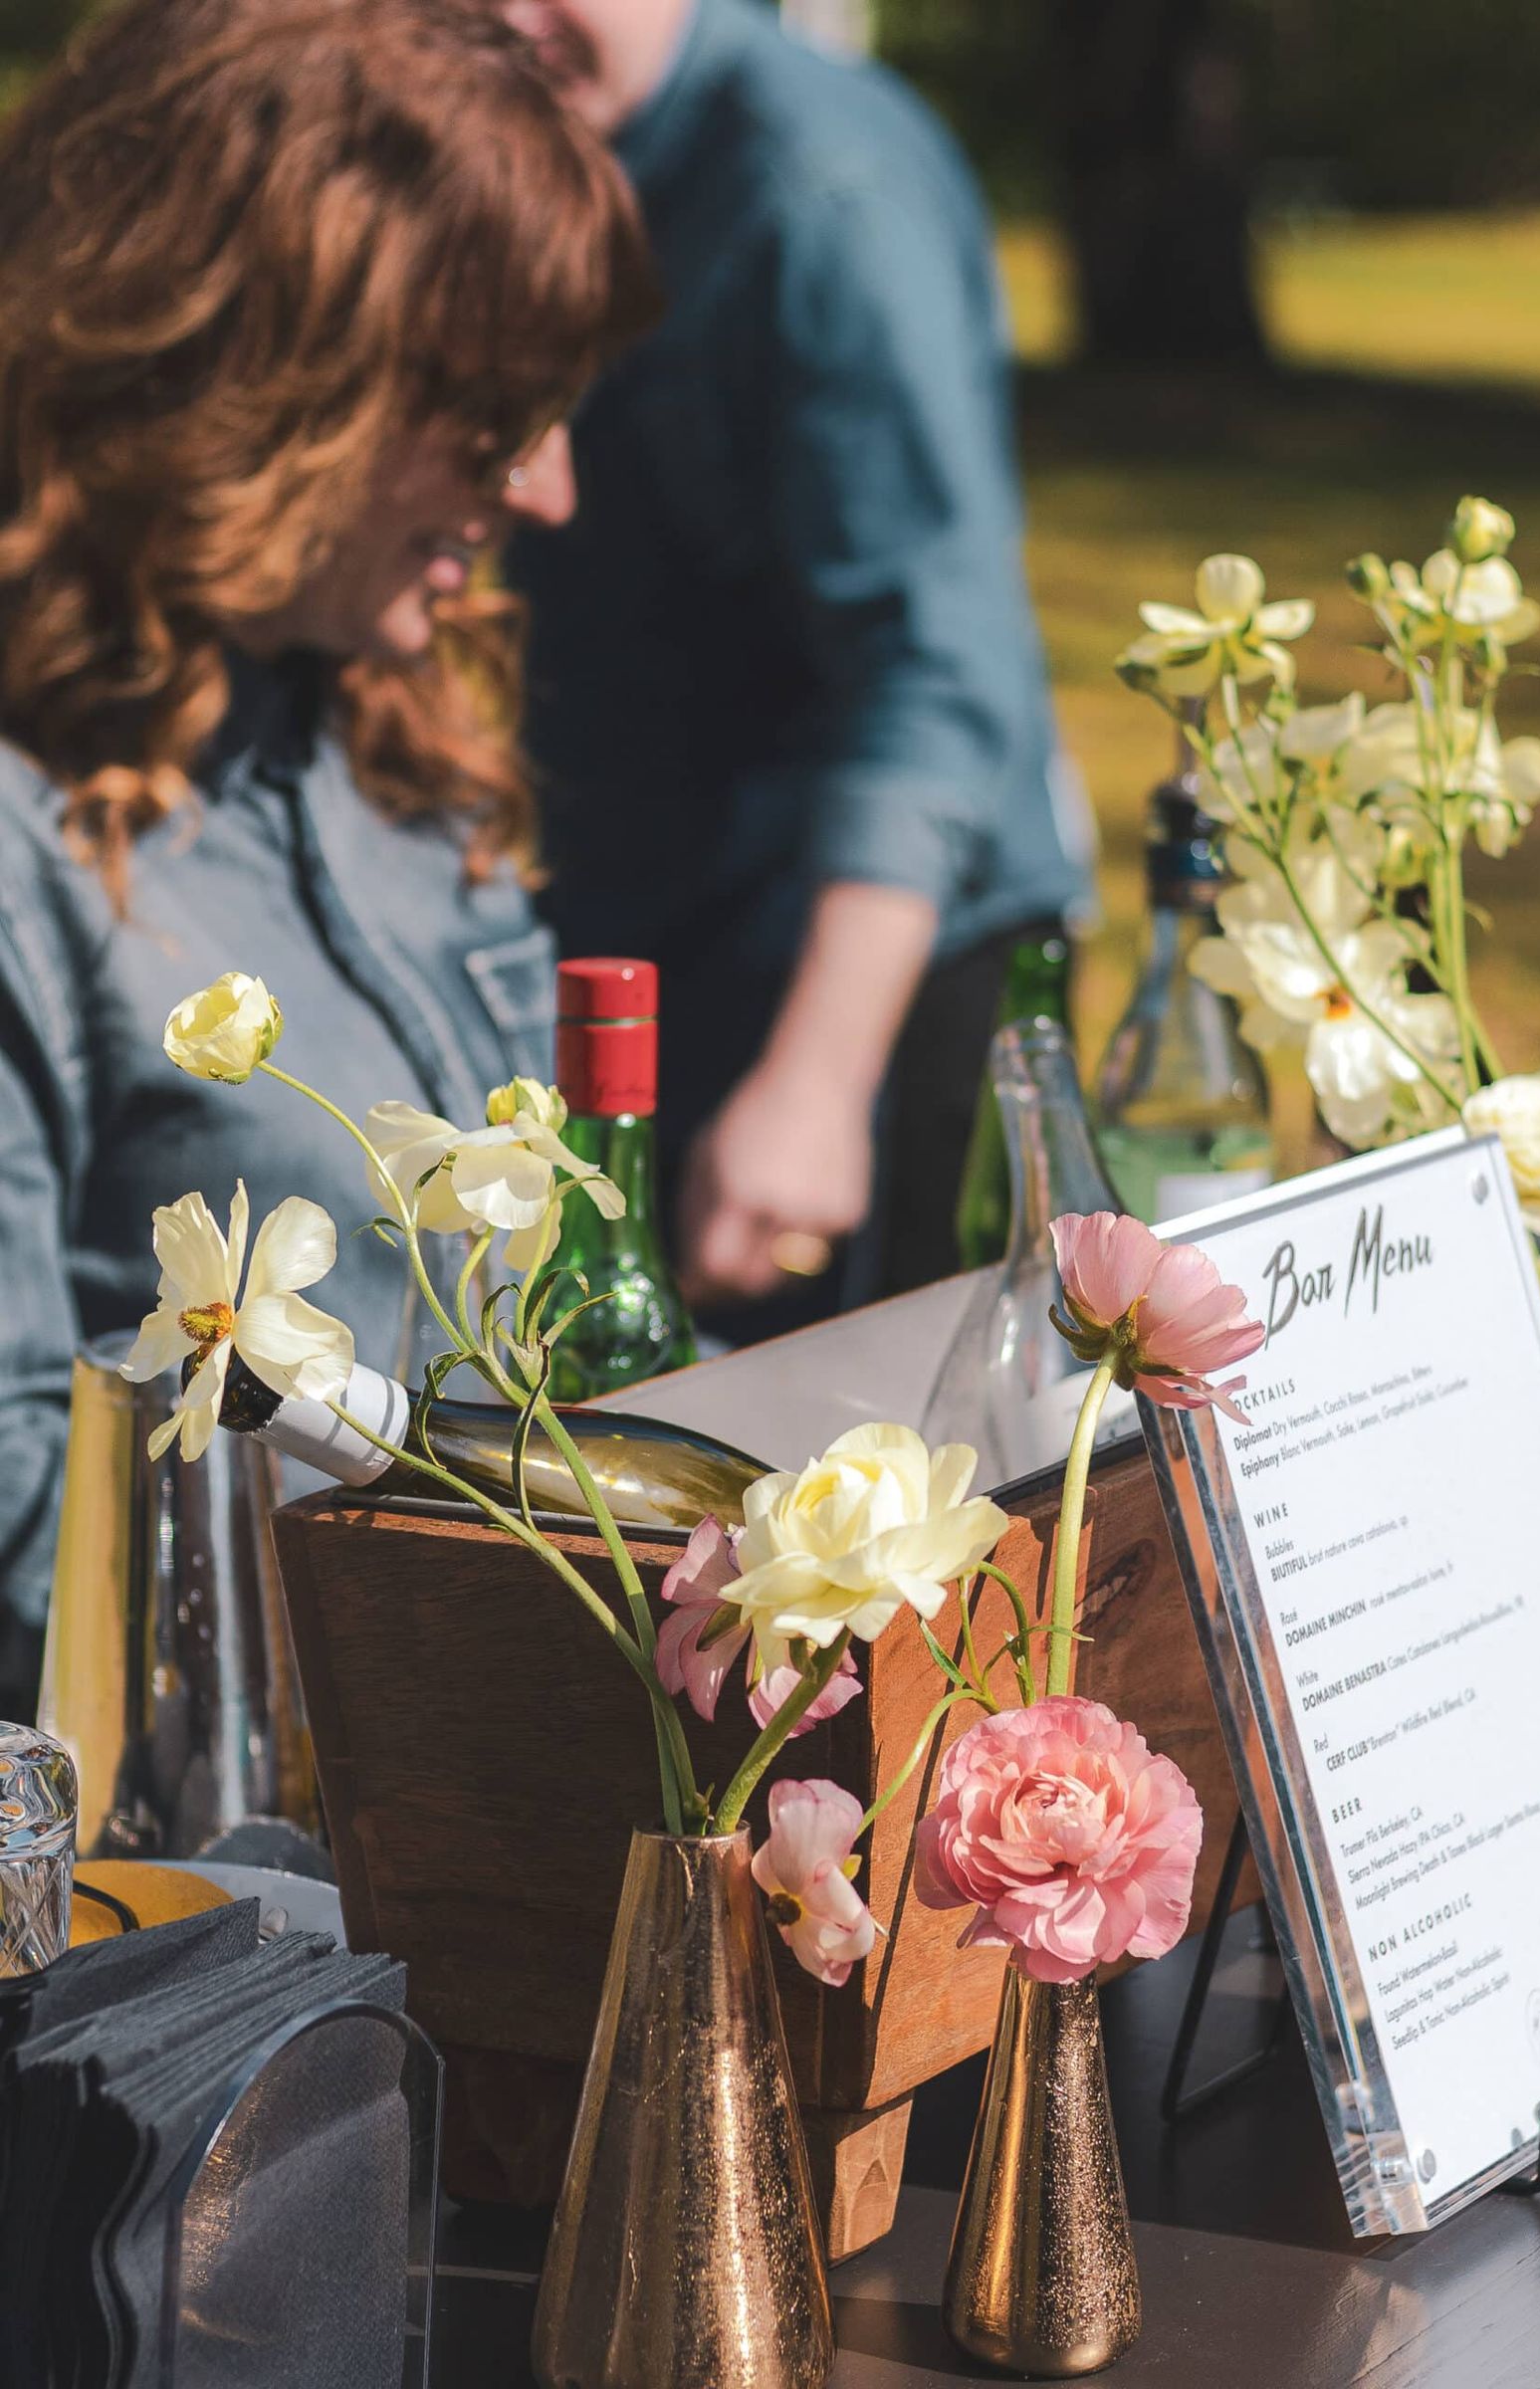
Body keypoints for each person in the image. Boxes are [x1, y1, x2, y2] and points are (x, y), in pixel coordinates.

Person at [0, 0, 656, 1712]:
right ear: (264, 378)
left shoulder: (383, 727)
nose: (552, 494)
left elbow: (517, 1350)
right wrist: (547, 1609)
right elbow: (19, 1520)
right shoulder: (24, 838)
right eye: (499, 416)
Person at [505, 0, 1092, 1332]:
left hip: (875, 969)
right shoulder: (553, 140)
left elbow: (940, 666)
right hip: (655, 914)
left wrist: (817, 1080)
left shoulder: (820, 195)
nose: (500, 16)